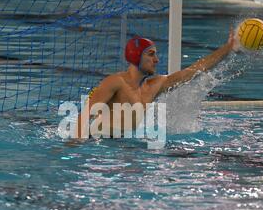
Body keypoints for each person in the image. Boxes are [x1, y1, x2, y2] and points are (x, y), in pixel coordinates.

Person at [76, 27, 240, 138]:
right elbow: (84, 116)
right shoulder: (115, 82)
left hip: (125, 146)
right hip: (99, 144)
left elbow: (194, 70)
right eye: (151, 54)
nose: (156, 59)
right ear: (136, 56)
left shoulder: (154, 85)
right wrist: (73, 147)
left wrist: (227, 48)